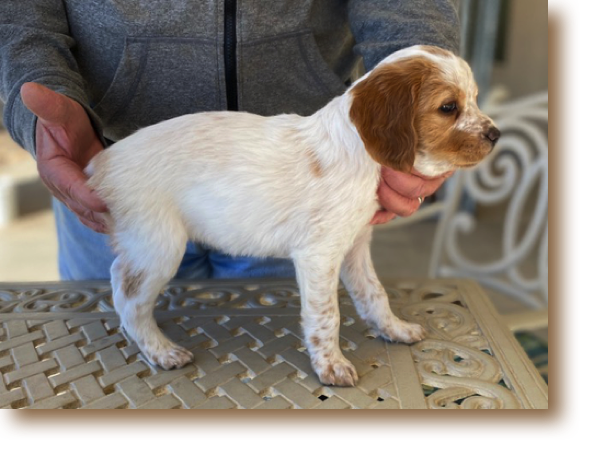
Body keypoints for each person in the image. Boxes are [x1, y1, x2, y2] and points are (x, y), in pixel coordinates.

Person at [0, 0, 459, 280]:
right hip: (120, 166)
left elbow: (405, 4)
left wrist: (420, 96)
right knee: (121, 381)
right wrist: (40, 100)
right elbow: (21, 14)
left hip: (301, 179)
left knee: (277, 386)